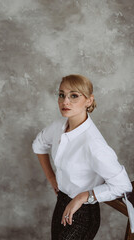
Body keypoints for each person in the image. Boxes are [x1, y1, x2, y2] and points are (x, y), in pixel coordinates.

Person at [32, 74, 132, 240]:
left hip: (84, 214)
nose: (65, 101)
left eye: (74, 96)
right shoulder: (59, 125)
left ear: (89, 100)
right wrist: (51, 177)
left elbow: (123, 186)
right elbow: (39, 144)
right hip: (61, 204)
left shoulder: (94, 144)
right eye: (62, 95)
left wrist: (82, 196)